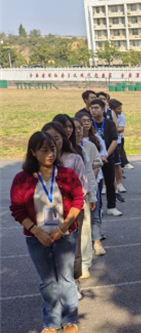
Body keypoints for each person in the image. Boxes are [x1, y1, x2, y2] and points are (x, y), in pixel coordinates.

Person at [10, 132, 84, 333]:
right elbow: (17, 210)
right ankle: (51, 322)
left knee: (66, 279)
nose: (50, 153)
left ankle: (69, 319)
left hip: (65, 234)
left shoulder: (67, 174)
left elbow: (78, 200)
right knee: (48, 281)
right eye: (44, 150)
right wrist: (37, 232)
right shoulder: (22, 179)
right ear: (33, 152)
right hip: (36, 238)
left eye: (52, 149)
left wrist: (62, 228)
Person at [42, 122, 88, 299]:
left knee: (72, 248)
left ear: (63, 139)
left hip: (72, 210)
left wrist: (73, 209)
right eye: (49, 138)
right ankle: (55, 283)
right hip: (48, 211)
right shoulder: (39, 161)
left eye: (57, 138)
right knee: (51, 246)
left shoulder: (74, 158)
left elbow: (83, 186)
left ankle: (74, 282)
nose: (53, 142)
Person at [72, 116, 102, 278]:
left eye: (79, 128)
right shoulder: (59, 150)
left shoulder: (84, 149)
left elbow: (90, 173)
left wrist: (92, 194)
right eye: (73, 128)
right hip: (63, 200)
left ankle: (84, 264)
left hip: (81, 197)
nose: (77, 131)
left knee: (84, 231)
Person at [76, 111, 107, 257]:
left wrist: (89, 182)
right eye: (82, 122)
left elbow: (96, 164)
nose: (85, 125)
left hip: (91, 184)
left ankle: (97, 242)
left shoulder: (91, 144)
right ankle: (80, 245)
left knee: (94, 214)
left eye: (88, 121)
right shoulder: (67, 146)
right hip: (75, 188)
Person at [89, 99, 122, 216]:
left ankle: (112, 207)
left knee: (110, 182)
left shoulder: (110, 123)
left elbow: (114, 140)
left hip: (107, 157)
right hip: (93, 159)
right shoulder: (89, 123)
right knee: (96, 183)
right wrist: (98, 157)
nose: (93, 110)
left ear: (103, 109)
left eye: (96, 108)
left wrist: (105, 155)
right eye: (92, 108)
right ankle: (98, 207)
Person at [108, 100, 127, 194]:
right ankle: (106, 185)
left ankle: (119, 183)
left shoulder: (121, 116)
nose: (121, 110)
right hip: (107, 142)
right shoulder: (107, 115)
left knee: (117, 163)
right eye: (119, 109)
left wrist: (112, 129)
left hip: (117, 142)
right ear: (113, 109)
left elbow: (121, 129)